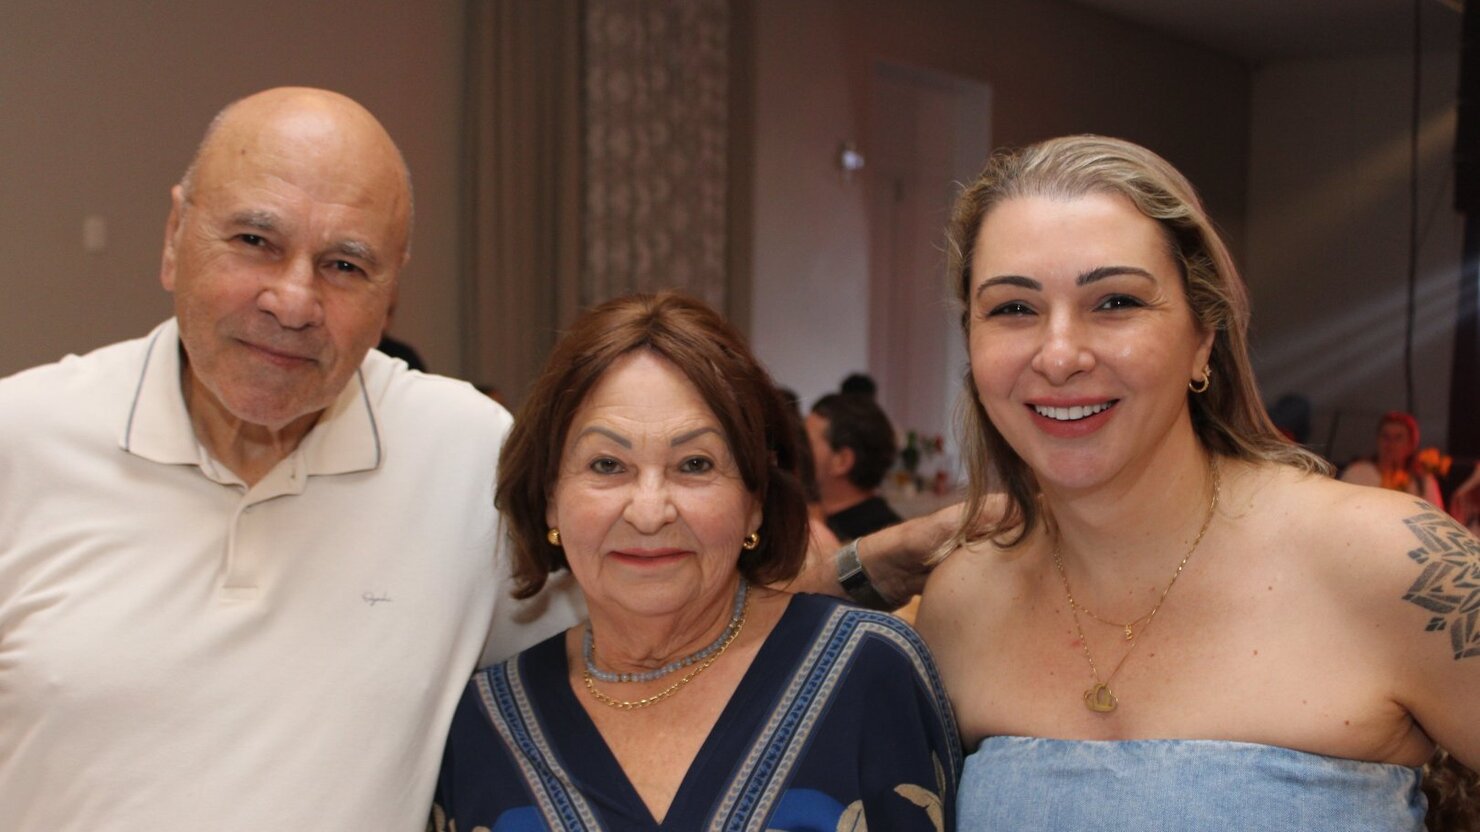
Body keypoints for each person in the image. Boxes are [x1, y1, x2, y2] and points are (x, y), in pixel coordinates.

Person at [0, 87, 583, 830]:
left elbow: (615, 671)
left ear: (391, 293)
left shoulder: (469, 459)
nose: (293, 301)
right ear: (176, 236)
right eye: (254, 241)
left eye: (344, 265)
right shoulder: (18, 441)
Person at [914, 135, 1480, 829]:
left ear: (1202, 336)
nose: (1059, 355)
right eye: (1013, 309)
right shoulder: (962, 603)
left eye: (1115, 301)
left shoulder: (1390, 560)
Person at [432, 292, 959, 831]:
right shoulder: (487, 723)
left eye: (694, 464)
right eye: (608, 464)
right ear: (550, 498)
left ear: (754, 500)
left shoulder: (869, 671)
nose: (649, 511)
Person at [807, 393, 904, 541]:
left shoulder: (879, 541)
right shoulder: (812, 515)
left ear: (842, 461)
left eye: (805, 442)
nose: (796, 450)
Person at [1341, 411, 1445, 509]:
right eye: (1385, 436)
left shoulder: (1423, 481)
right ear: (1377, 440)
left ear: (1411, 445)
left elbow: (1437, 518)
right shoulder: (1357, 473)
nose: (1390, 443)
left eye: (1398, 438)